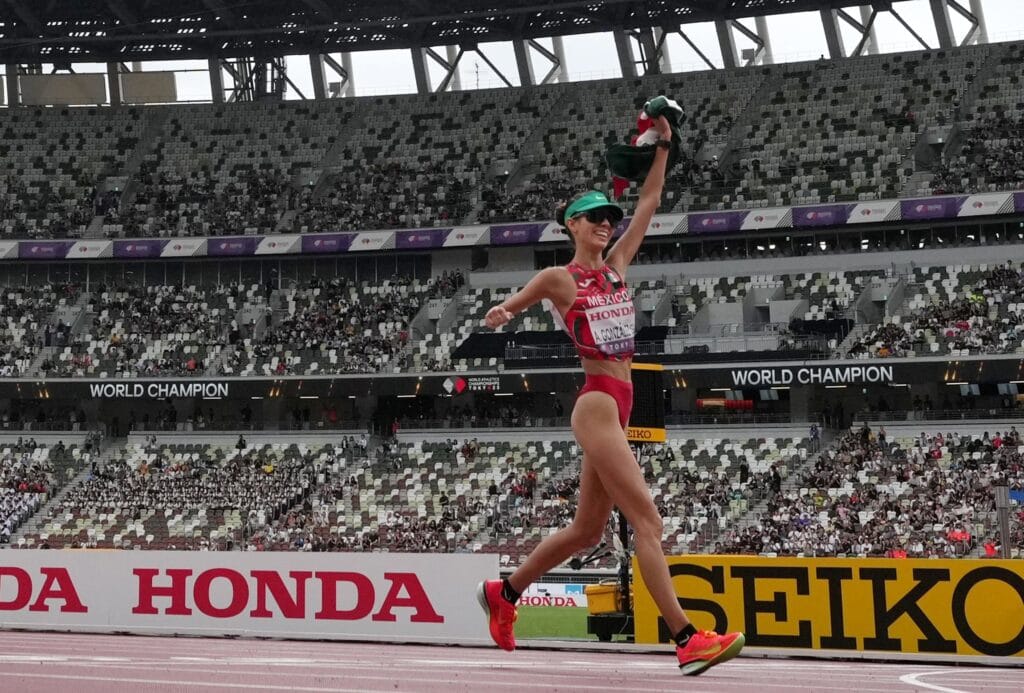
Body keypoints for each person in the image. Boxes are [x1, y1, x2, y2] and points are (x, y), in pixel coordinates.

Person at [475, 114, 743, 676]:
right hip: (597, 401)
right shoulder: (559, 278)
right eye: (594, 218)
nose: (605, 224)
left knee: (588, 530)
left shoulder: (619, 267)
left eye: (607, 218)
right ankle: (687, 639)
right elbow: (516, 302)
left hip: (620, 404)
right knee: (647, 520)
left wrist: (664, 146)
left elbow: (649, 200)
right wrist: (503, 312)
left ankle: (505, 593)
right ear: (572, 225)